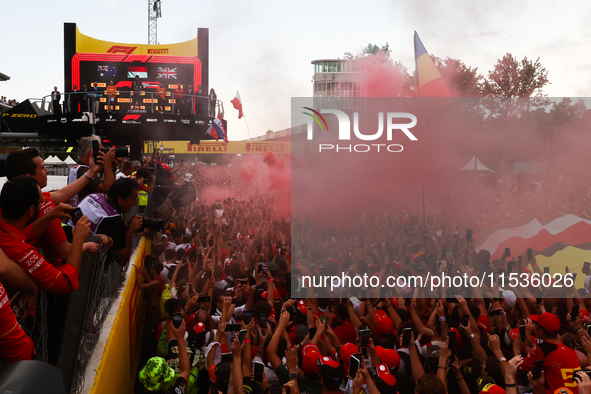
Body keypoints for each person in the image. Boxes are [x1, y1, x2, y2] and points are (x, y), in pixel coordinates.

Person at [0, 176, 91, 296]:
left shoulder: (8, 234)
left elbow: (25, 236)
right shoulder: (22, 251)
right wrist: (78, 241)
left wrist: (49, 216)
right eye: (41, 202)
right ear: (31, 210)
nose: (44, 204)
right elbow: (65, 283)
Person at [73, 177, 143, 266]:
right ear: (120, 200)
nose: (135, 203)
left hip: (70, 249)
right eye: (133, 199)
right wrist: (130, 231)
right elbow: (123, 260)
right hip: (84, 267)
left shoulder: (94, 196)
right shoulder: (113, 219)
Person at [68, 136, 116, 207]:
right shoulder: (84, 170)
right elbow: (107, 188)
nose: (103, 152)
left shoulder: (76, 168)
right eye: (100, 150)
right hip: (88, 215)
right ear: (92, 153)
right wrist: (108, 164)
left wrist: (113, 167)